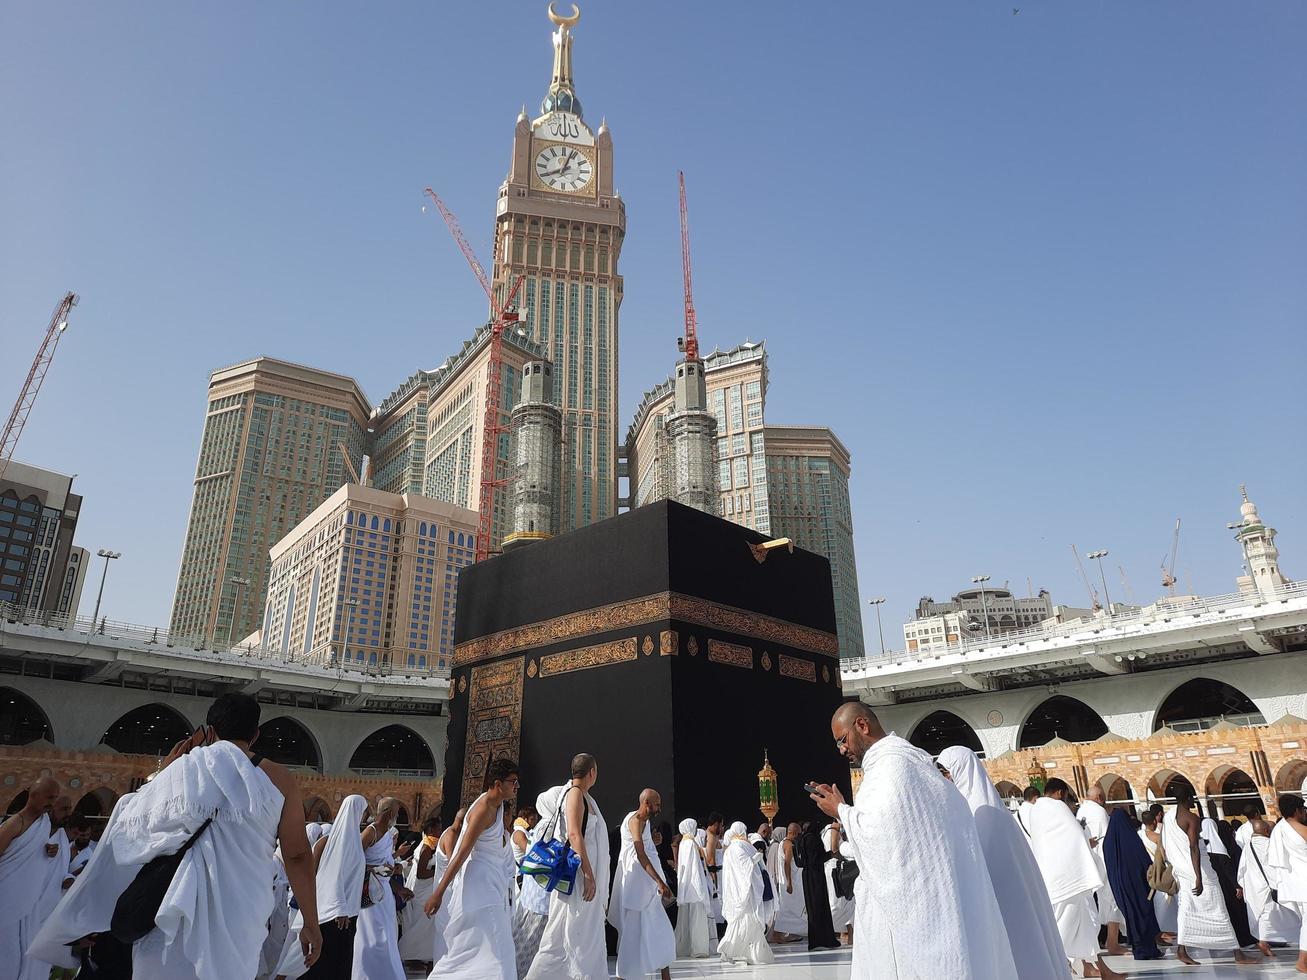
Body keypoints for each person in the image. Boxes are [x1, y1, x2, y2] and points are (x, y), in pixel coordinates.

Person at [33, 694, 321, 979]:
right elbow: (296, 855)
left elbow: (131, 830)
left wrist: (164, 770)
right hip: (239, 919)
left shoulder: (181, 769)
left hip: (169, 915)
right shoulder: (280, 779)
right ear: (255, 734)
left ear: (209, 732)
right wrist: (310, 921)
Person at [810, 701, 1018, 979]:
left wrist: (840, 812)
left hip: (912, 920)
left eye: (842, 740)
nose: (842, 750)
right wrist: (847, 810)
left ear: (862, 725)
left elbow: (881, 838)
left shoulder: (890, 768)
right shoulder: (910, 761)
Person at [938, 746, 1067, 979]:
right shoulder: (986, 811)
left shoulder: (982, 814)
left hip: (1004, 904)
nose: (945, 780)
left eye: (947, 773)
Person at [424, 758, 520, 979]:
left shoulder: (499, 805)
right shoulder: (483, 809)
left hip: (491, 885)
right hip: (479, 888)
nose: (516, 787)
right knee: (500, 952)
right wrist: (438, 893)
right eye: (512, 782)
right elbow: (461, 854)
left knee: (474, 951)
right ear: (498, 784)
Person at [1026, 778, 1123, 979]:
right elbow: (1075, 836)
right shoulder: (1056, 807)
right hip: (1068, 881)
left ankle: (1100, 970)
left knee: (1085, 928)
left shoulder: (1037, 809)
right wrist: (1087, 848)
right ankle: (1053, 969)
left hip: (1054, 877)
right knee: (1065, 929)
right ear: (1060, 793)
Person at [524, 753, 610, 980]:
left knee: (572, 934)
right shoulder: (574, 794)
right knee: (564, 936)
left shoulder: (585, 797)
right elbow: (574, 834)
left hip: (584, 877)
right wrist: (589, 875)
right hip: (579, 878)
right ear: (592, 772)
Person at [1161, 783, 1257, 966]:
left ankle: (1182, 950)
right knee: (1218, 906)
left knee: (1186, 908)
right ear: (1188, 798)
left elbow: (1167, 844)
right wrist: (1198, 876)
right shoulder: (1192, 818)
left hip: (1182, 870)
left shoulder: (1168, 817)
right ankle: (1237, 953)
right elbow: (1193, 847)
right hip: (1199, 871)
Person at [273, 793, 367, 980]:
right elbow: (334, 872)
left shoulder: (352, 839)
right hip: (338, 913)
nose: (364, 816)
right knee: (327, 960)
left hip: (347, 909)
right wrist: (340, 907)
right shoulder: (343, 840)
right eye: (363, 811)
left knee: (335, 960)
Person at [608, 789, 675, 980]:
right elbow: (639, 854)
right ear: (646, 803)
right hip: (637, 888)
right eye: (657, 804)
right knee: (632, 936)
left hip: (647, 888)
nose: (659, 809)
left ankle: (664, 975)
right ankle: (623, 976)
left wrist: (653, 841)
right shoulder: (636, 820)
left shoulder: (645, 822)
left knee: (660, 930)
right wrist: (660, 882)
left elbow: (644, 846)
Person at [0, 775, 61, 979]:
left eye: (55, 798)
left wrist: (47, 850)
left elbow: (28, 852)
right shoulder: (15, 823)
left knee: (22, 954)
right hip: (6, 902)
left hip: (27, 903)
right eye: (49, 797)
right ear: (34, 796)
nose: (52, 803)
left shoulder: (43, 823)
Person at [353, 797, 406, 979]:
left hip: (385, 896)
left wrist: (396, 880)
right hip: (369, 894)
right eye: (397, 813)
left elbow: (386, 863)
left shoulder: (388, 835)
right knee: (371, 938)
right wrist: (375, 869)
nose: (397, 817)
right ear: (390, 813)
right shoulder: (371, 831)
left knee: (387, 937)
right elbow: (353, 860)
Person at [1101, 807, 1162, 960]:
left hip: (1119, 886)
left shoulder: (1108, 841)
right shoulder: (1131, 838)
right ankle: (1148, 949)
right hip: (1137, 883)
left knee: (1132, 916)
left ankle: (1138, 948)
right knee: (1144, 913)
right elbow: (1143, 860)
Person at [1236, 814, 1300, 949]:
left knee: (1264, 916)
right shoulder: (1268, 845)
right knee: (1287, 914)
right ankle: (1270, 940)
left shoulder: (1248, 846)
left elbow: (1242, 869)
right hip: (1270, 886)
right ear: (1265, 831)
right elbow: (1277, 865)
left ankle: (1263, 940)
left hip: (1255, 887)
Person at [1076, 786, 1126, 956]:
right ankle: (1112, 942)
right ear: (1099, 797)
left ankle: (1093, 945)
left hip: (1087, 862)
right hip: (1104, 861)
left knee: (1091, 904)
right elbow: (1108, 839)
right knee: (1112, 900)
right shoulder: (1099, 811)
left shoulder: (1080, 811)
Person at [1200, 814, 1259, 951]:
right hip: (1229, 887)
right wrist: (1237, 886)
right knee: (1237, 913)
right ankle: (1244, 938)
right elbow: (1229, 870)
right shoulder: (1220, 848)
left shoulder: (1203, 852)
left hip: (1216, 887)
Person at [717, 821, 773, 965]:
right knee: (747, 921)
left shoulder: (734, 847)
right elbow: (744, 867)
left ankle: (745, 953)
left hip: (742, 890)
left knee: (746, 923)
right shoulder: (737, 847)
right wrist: (756, 858)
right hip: (744, 892)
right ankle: (735, 950)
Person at [1267, 793, 1307, 975]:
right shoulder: (1300, 829)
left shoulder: (1279, 828)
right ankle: (1302, 961)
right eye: (1303, 809)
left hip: (1292, 883)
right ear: (1297, 810)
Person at [511, 806, 550, 978]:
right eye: (532, 818)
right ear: (526, 817)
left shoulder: (528, 831)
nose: (534, 821)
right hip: (524, 886)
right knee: (524, 928)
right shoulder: (519, 832)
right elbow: (531, 852)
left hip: (527, 885)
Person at [398, 816, 441, 967]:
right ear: (430, 829)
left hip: (422, 889)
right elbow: (421, 873)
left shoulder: (428, 844)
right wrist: (439, 873)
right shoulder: (427, 848)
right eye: (437, 829)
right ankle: (410, 952)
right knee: (421, 924)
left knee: (421, 924)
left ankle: (419, 954)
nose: (439, 832)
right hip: (421, 890)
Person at [793, 820, 840, 950]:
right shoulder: (813, 839)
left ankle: (815, 940)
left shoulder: (802, 839)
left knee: (812, 908)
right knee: (820, 906)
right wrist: (830, 854)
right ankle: (824, 939)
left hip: (807, 876)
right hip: (815, 876)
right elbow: (816, 859)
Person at [431, 806, 466, 971]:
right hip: (446, 893)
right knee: (446, 934)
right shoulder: (451, 834)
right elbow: (454, 862)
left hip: (450, 891)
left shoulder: (453, 833)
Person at [673, 817, 712, 957]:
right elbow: (694, 868)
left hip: (687, 888)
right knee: (697, 918)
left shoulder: (685, 842)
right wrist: (700, 888)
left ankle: (685, 947)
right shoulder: (690, 843)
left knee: (686, 919)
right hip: (694, 888)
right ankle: (698, 949)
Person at [771, 822, 806, 942]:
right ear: (793, 833)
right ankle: (777, 934)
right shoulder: (788, 844)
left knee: (789, 908)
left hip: (789, 881)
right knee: (788, 908)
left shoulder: (784, 843)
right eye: (799, 833)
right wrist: (789, 883)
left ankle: (789, 933)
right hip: (789, 882)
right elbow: (787, 864)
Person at [702, 811, 725, 931]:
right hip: (716, 874)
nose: (721, 828)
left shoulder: (710, 836)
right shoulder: (711, 837)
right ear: (716, 824)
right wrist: (714, 878)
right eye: (721, 825)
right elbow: (710, 858)